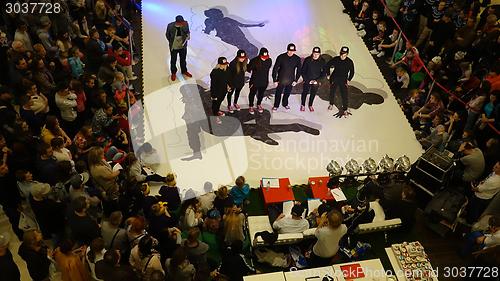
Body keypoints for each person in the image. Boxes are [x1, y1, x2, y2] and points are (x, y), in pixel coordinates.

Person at [325, 46, 355, 117]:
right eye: (341, 54)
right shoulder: (336, 59)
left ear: (347, 54)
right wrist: (328, 74)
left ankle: (345, 108)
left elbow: (352, 71)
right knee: (332, 92)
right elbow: (328, 65)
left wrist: (349, 79)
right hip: (334, 78)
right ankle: (331, 104)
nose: (342, 56)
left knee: (344, 94)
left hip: (343, 80)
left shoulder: (349, 62)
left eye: (344, 54)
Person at [272, 43, 301, 111]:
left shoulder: (297, 58)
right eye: (290, 50)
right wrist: (275, 80)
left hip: (290, 79)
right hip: (281, 79)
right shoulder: (281, 57)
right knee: (278, 93)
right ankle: (276, 105)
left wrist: (296, 80)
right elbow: (275, 68)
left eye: (293, 51)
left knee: (287, 93)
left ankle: (285, 104)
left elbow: (299, 70)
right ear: (287, 50)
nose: (291, 52)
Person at [166, 15, 192, 81]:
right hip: (174, 47)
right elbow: (167, 35)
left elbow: (187, 32)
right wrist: (172, 42)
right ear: (177, 22)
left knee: (183, 60)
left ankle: (184, 71)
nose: (183, 24)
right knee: (173, 60)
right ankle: (173, 73)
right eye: (181, 23)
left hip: (183, 46)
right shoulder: (170, 26)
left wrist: (188, 35)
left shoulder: (185, 24)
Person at [247, 47, 272, 114]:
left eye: (266, 56)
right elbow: (248, 69)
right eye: (263, 56)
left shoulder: (269, 60)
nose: (265, 58)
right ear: (260, 55)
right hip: (254, 81)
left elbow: (267, 69)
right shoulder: (254, 61)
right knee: (252, 94)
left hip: (264, 81)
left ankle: (259, 104)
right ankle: (251, 106)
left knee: (261, 94)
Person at [301, 47, 326, 112]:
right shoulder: (307, 60)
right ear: (312, 53)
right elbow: (303, 71)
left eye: (317, 54)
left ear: (320, 54)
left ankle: (310, 105)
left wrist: (318, 81)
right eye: (314, 53)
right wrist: (307, 80)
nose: (315, 55)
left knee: (313, 93)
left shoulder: (322, 61)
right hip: (308, 80)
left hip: (316, 81)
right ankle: (303, 104)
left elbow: (323, 73)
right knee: (304, 92)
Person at [210, 57, 230, 124]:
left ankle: (217, 111)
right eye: (223, 64)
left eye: (226, 64)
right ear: (219, 64)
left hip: (223, 91)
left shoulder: (226, 70)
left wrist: (227, 86)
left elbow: (226, 80)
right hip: (216, 92)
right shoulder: (215, 73)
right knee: (215, 104)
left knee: (219, 103)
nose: (225, 65)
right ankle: (216, 117)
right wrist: (213, 95)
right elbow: (213, 85)